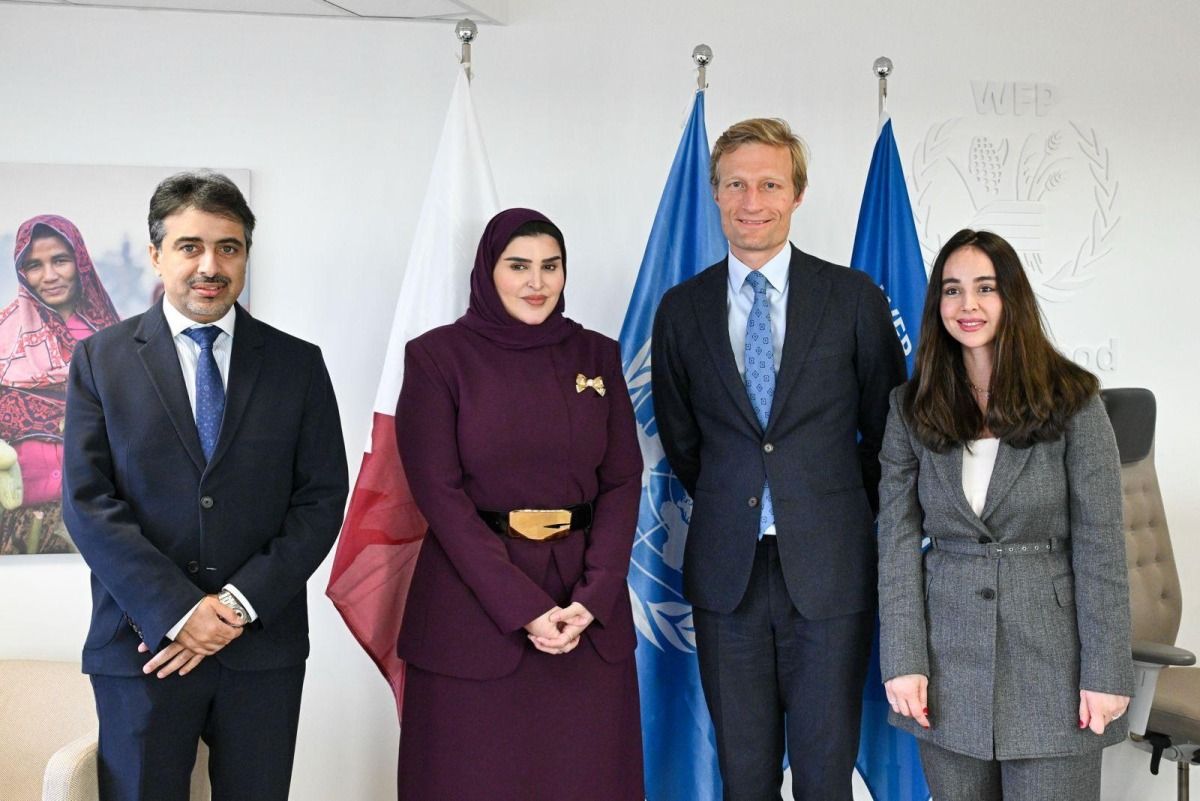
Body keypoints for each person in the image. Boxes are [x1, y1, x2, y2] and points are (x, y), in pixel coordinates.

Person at [62, 171, 349, 801]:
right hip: (143, 647)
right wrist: (179, 611)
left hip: (261, 648)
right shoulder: (100, 361)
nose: (210, 266)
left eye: (228, 247)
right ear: (156, 254)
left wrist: (237, 605)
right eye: (190, 246)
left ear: (246, 254)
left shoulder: (298, 364)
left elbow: (321, 499)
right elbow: (87, 503)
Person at [651, 117, 906, 799]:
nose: (752, 201)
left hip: (830, 571)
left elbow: (888, 435)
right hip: (727, 574)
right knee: (745, 776)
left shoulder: (853, 298)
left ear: (798, 193)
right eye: (736, 184)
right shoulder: (681, 309)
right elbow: (683, 441)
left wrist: (820, 505)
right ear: (715, 192)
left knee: (825, 776)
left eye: (770, 184)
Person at [395, 208, 644, 801]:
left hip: (586, 617)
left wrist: (594, 597)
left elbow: (622, 480)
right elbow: (439, 496)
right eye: (519, 266)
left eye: (550, 266)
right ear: (488, 271)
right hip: (471, 614)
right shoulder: (437, 358)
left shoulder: (597, 355)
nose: (537, 282)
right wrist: (524, 608)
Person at [877, 229, 1132, 799]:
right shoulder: (910, 407)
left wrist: (1106, 671)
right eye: (952, 290)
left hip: (1055, 666)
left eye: (985, 288)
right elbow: (895, 542)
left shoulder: (1073, 398)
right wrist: (903, 659)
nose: (967, 305)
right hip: (946, 670)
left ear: (1011, 295)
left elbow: (1102, 545)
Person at [0, 215, 120, 554]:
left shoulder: (115, 339)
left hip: (97, 517)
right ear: (21, 272)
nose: (49, 275)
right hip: (14, 517)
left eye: (60, 260)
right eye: (34, 265)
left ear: (80, 262)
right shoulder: (4, 335)